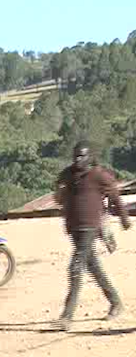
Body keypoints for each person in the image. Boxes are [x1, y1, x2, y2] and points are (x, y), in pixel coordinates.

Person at [53, 142, 131, 331]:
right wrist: (60, 190)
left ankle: (67, 316)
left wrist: (123, 218)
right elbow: (57, 187)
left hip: (90, 227)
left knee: (76, 267)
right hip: (74, 228)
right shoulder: (69, 174)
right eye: (75, 156)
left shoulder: (98, 175)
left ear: (89, 157)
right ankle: (116, 302)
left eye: (82, 156)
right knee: (93, 267)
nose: (78, 160)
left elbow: (114, 195)